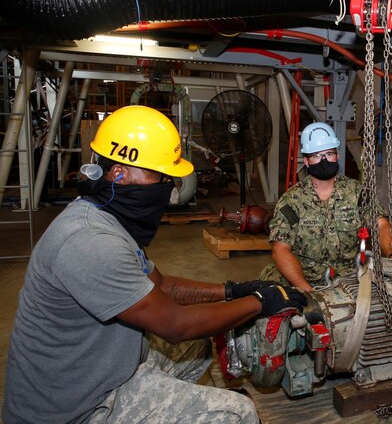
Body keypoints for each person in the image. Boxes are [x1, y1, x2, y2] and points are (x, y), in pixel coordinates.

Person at [2, 105, 306, 424]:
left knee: (198, 347)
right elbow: (176, 325)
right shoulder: (90, 241)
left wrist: (235, 290)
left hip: (103, 372)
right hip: (77, 410)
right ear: (119, 172)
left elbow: (162, 286)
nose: (168, 187)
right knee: (237, 412)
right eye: (159, 176)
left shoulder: (109, 219)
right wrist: (258, 303)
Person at [259, 122, 392, 291]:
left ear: (337, 156)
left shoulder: (356, 193)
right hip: (304, 279)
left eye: (329, 153)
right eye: (317, 156)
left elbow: (381, 225)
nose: (324, 160)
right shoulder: (292, 201)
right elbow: (280, 249)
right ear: (306, 161)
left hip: (349, 279)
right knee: (269, 295)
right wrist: (308, 292)